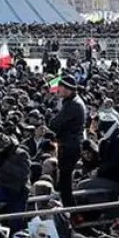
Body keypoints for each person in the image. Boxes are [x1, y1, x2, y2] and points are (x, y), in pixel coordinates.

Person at [48, 75, 88, 206]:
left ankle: (70, 211)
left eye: (60, 87)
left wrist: (52, 116)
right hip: (69, 144)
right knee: (64, 181)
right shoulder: (72, 102)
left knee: (65, 183)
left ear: (67, 89)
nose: (57, 89)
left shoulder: (73, 105)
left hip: (70, 146)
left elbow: (54, 124)